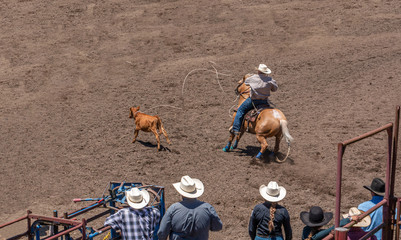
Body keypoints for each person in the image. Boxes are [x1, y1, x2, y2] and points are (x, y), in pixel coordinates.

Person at [157, 175, 223, 240]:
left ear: (181, 193)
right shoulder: (208, 208)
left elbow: (162, 233)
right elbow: (218, 226)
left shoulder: (173, 208)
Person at [230, 63, 278, 135]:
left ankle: (236, 129)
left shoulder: (252, 78)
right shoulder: (270, 80)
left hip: (253, 101)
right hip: (264, 102)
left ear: (258, 71)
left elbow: (246, 83)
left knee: (240, 110)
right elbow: (274, 89)